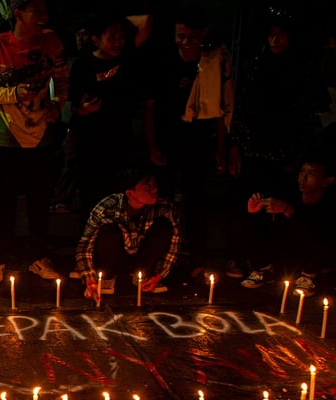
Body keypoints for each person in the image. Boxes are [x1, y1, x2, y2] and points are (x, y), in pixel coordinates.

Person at [226, 11, 326, 280]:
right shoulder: (257, 65)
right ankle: (258, 263)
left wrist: (297, 157)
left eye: (280, 34)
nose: (274, 39)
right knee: (251, 206)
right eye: (271, 34)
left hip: (285, 152)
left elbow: (304, 113)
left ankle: (292, 266)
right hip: (253, 149)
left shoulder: (301, 69)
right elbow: (242, 106)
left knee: (284, 208)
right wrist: (235, 146)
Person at [0, 0, 70, 283]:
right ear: (18, 13)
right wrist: (14, 93)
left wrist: (57, 103)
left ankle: (38, 257)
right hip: (7, 138)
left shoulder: (52, 41)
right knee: (4, 203)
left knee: (39, 202)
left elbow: (63, 79)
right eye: (36, 11)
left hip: (42, 137)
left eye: (45, 11)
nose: (43, 16)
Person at [143, 4, 234, 279]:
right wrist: (152, 146)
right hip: (168, 138)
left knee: (197, 201)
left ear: (203, 33)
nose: (185, 42)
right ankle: (159, 258)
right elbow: (150, 106)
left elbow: (219, 108)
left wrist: (220, 148)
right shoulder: (165, 59)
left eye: (191, 36)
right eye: (180, 36)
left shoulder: (211, 61)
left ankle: (197, 259)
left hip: (199, 141)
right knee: (163, 202)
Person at [66, 12, 152, 217]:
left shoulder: (127, 58)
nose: (118, 42)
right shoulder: (82, 65)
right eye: (111, 37)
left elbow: (146, 22)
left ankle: (114, 244)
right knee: (90, 199)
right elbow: (74, 105)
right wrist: (86, 108)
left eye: (121, 36)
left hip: (119, 140)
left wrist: (114, 19)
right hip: (89, 142)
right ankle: (88, 244)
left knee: (118, 198)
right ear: (96, 39)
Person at [236, 157, 336, 297]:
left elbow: (317, 236)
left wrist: (288, 210)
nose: (302, 178)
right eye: (301, 172)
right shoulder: (289, 194)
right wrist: (253, 212)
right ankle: (265, 270)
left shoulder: (333, 206)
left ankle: (308, 276)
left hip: (315, 260)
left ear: (327, 181)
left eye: (310, 174)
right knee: (243, 225)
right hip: (287, 258)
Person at [75, 167, 182, 298]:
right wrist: (90, 279)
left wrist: (159, 275)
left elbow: (175, 242)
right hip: (114, 257)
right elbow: (84, 247)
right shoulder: (107, 208)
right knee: (109, 230)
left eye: (154, 184)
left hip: (141, 259)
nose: (154, 189)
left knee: (164, 227)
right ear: (130, 193)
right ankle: (107, 277)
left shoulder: (164, 207)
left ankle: (145, 275)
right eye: (147, 186)